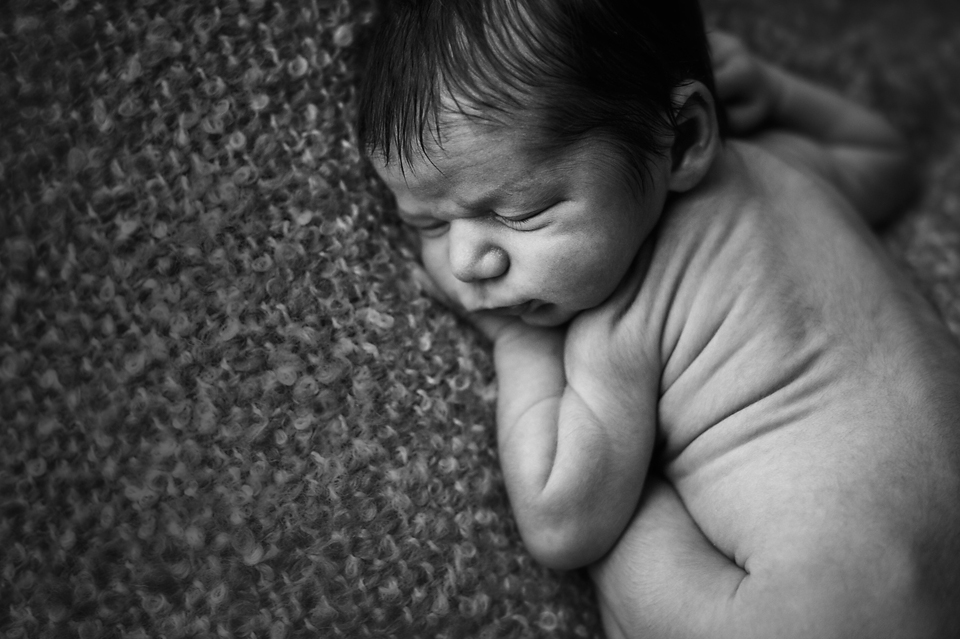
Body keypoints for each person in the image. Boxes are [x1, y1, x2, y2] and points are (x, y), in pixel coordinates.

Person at [356, 1, 960, 637]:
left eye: (521, 212)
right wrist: (781, 91)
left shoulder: (622, 313)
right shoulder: (788, 168)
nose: (465, 262)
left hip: (801, 620)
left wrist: (517, 343)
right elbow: (884, 158)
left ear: (688, 141)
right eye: (426, 223)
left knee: (622, 511)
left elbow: (562, 523)